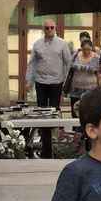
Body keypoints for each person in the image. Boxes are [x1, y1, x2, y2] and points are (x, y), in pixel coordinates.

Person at [26, 19, 72, 156]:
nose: (50, 30)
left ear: (55, 28)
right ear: (43, 29)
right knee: (41, 112)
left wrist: (66, 83)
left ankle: (53, 142)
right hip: (40, 82)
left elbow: (68, 63)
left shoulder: (62, 44)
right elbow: (32, 64)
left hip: (56, 82)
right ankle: (45, 143)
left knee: (54, 112)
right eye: (47, 28)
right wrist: (29, 81)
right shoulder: (37, 44)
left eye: (52, 27)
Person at [67, 37, 101, 118]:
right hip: (75, 89)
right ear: (81, 48)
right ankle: (75, 126)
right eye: (84, 49)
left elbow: (99, 74)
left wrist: (100, 88)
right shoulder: (75, 55)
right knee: (75, 111)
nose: (86, 51)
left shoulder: (96, 58)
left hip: (91, 89)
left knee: (89, 112)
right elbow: (69, 66)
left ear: (91, 48)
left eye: (88, 49)